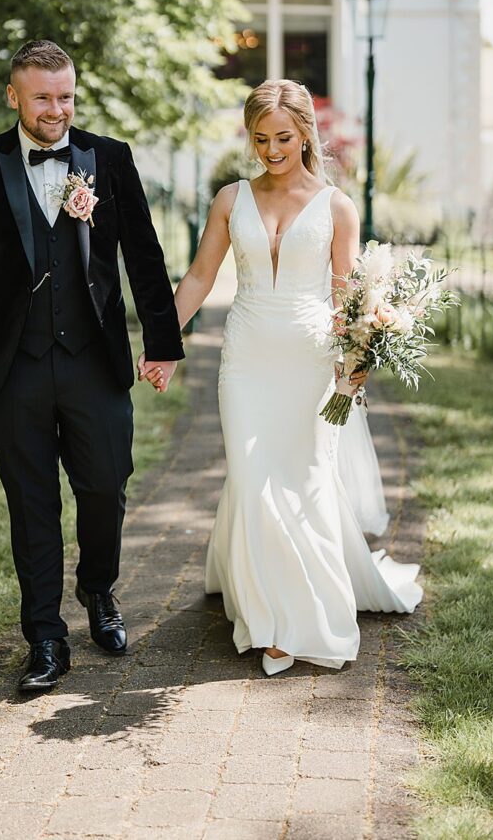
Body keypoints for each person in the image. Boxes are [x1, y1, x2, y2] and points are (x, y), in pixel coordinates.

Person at [0, 39, 184, 692]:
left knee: (106, 486)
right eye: (42, 96)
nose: (56, 109)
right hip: (9, 368)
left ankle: (98, 590)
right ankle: (45, 638)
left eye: (65, 96)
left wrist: (162, 343)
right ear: (14, 95)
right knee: (32, 504)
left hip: (93, 361)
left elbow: (145, 257)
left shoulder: (110, 159)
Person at [167, 78, 421, 676]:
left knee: (305, 480)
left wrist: (353, 362)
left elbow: (345, 294)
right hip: (247, 360)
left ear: (306, 132)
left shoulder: (337, 206)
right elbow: (202, 278)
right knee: (254, 477)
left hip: (311, 363)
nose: (272, 150)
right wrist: (162, 341)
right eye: (261, 139)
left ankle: (308, 621)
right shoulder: (231, 199)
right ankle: (264, 618)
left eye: (283, 137)